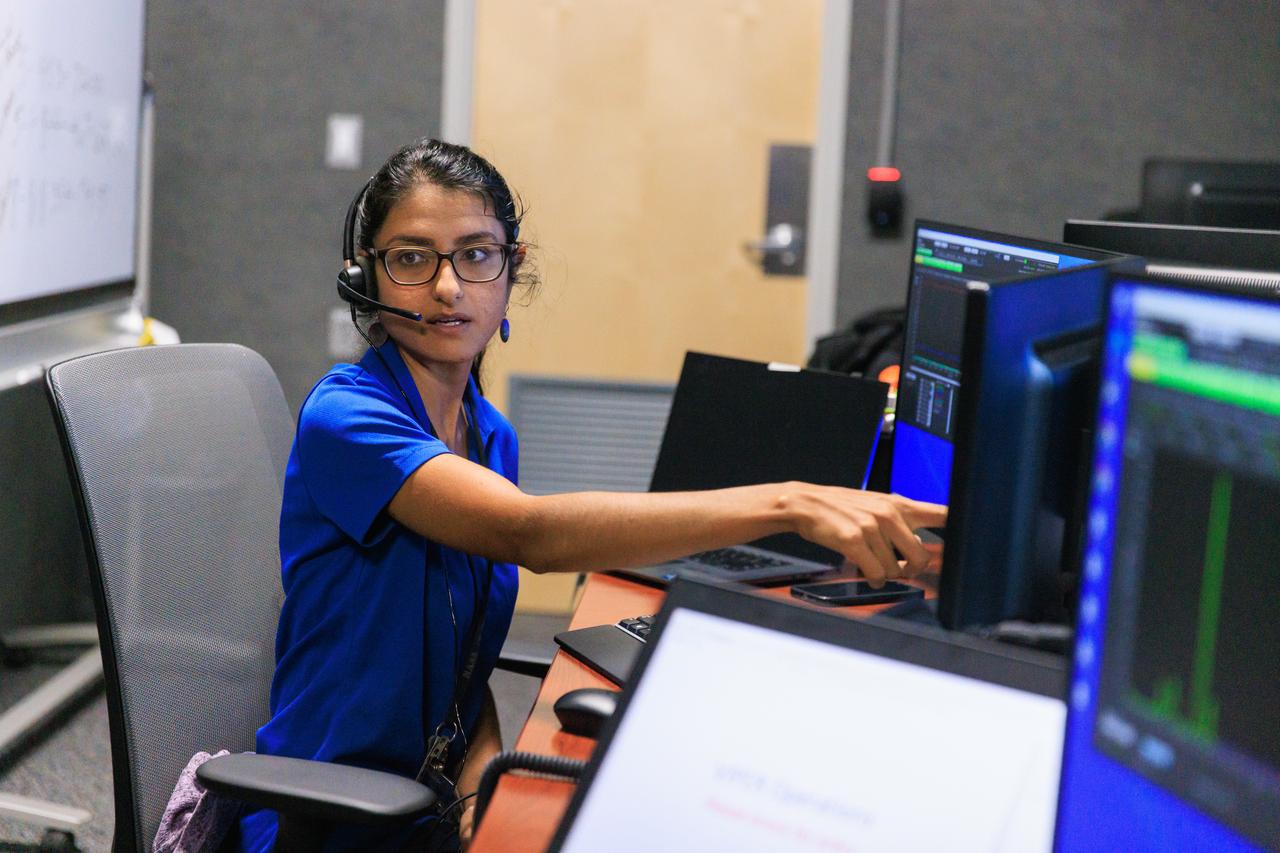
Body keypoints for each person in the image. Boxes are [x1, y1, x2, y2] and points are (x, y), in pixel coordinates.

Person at [238, 138, 946, 851]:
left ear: (511, 268)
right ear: (366, 275)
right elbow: (531, 534)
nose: (448, 287)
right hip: (330, 824)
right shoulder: (347, 418)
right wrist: (789, 504)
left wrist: (482, 785)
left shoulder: (489, 436)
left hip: (425, 813)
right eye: (413, 258)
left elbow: (460, 667)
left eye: (476, 255)